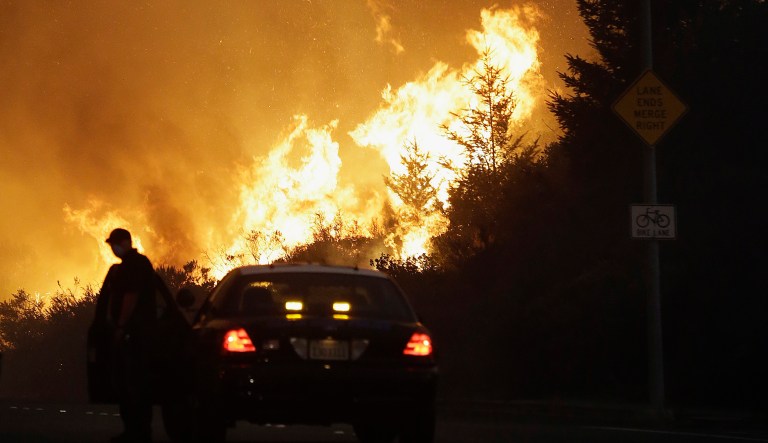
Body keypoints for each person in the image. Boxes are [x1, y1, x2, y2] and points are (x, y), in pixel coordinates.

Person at [104, 228, 158, 443]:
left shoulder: (135, 264)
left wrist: (120, 325)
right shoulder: (128, 265)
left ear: (126, 242)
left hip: (136, 334)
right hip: (135, 333)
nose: (113, 248)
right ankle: (133, 431)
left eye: (115, 244)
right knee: (128, 384)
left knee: (135, 384)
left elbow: (131, 296)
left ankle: (140, 432)